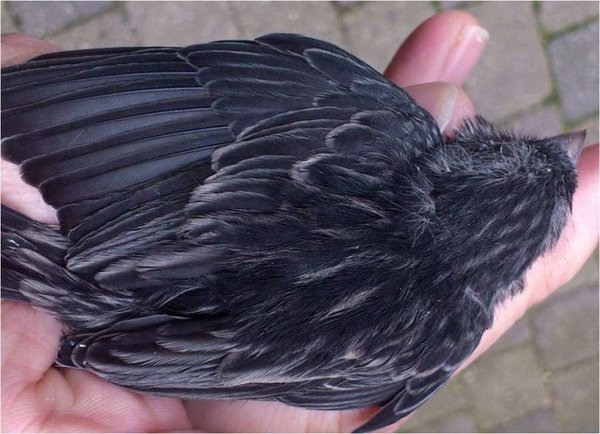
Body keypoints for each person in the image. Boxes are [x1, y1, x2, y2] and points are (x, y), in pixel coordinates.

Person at [1, 10, 598, 432]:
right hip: (84, 317)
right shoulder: (432, 347)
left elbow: (146, 104)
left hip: (82, 236)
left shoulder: (371, 132)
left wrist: (28, 108)